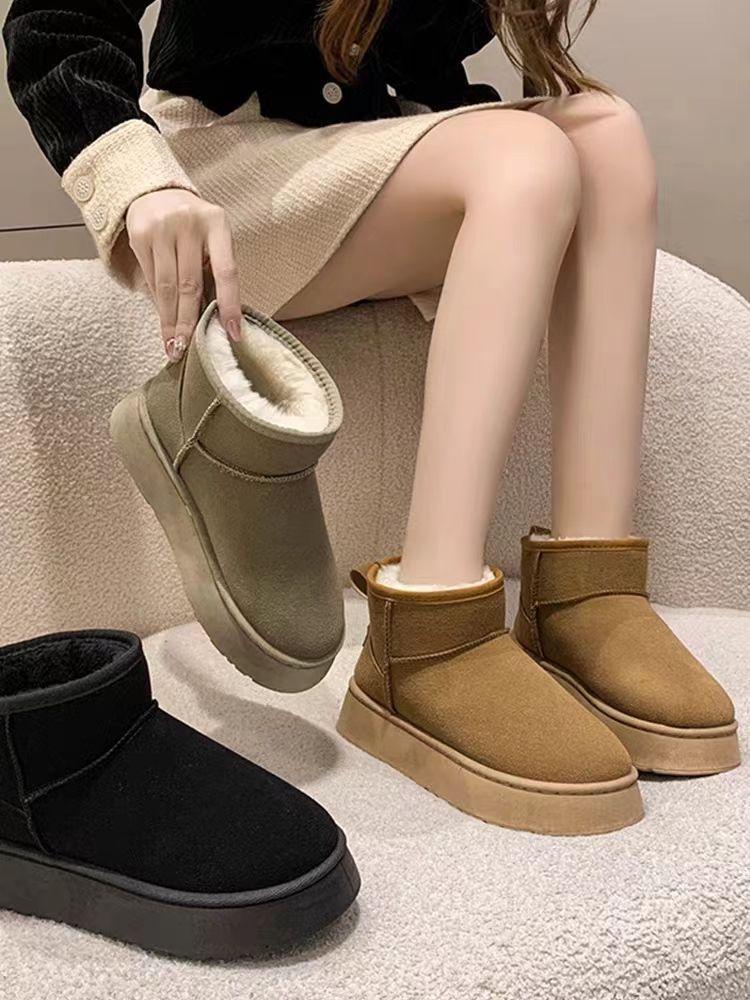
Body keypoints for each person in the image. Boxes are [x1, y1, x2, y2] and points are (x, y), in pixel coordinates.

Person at [4, 0, 739, 837]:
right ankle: (427, 630)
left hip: (384, 154)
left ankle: (588, 594)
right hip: (228, 174)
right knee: (527, 158)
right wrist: (139, 180)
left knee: (608, 134)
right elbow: (56, 20)